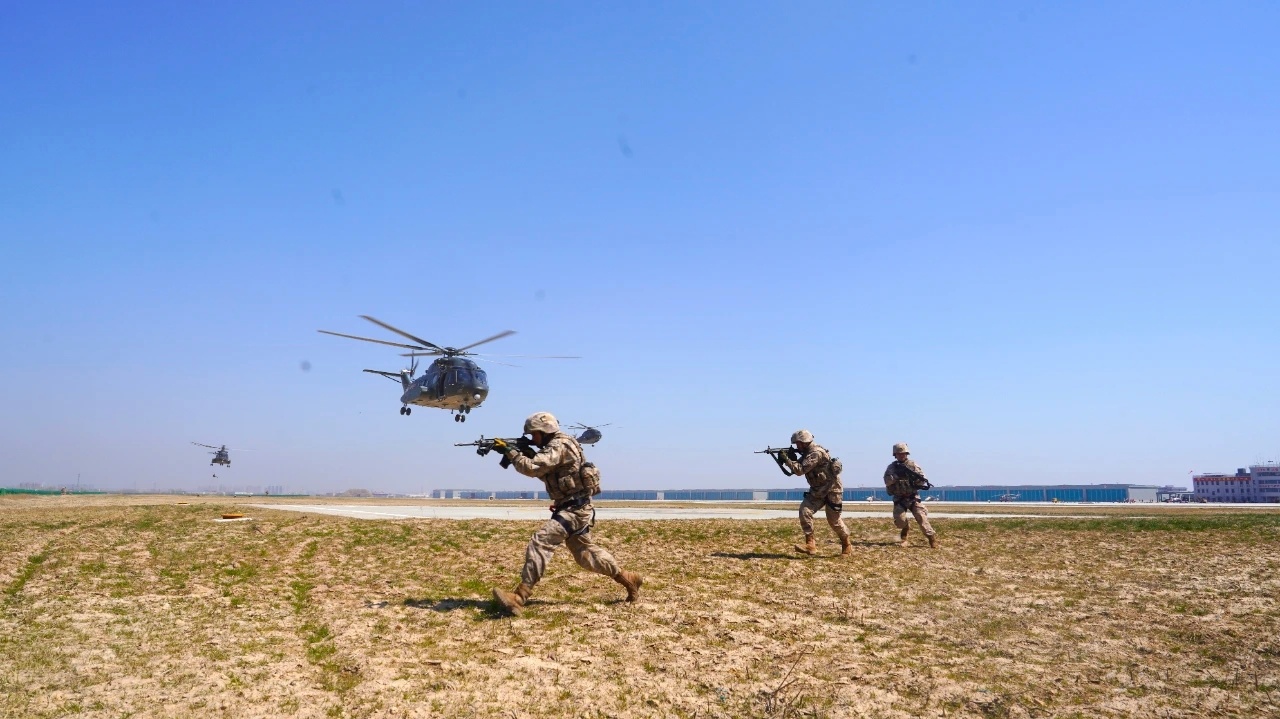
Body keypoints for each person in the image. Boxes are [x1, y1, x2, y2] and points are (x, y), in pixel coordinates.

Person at [490, 412, 642, 615]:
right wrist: (524, 452)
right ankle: (628, 579)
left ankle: (519, 597)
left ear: (545, 432)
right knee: (586, 555)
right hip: (573, 507)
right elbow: (546, 471)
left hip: (574, 509)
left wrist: (513, 453)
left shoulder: (559, 445)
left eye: (534, 434)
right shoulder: (555, 446)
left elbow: (534, 468)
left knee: (541, 540)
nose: (533, 439)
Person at [782, 429, 852, 556]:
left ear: (804, 442)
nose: (797, 446)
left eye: (798, 443)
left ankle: (846, 543)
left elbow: (800, 470)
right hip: (817, 491)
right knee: (805, 511)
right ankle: (810, 544)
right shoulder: (806, 453)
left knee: (834, 521)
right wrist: (792, 459)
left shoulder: (815, 453)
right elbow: (798, 467)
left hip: (832, 490)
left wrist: (787, 460)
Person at [883, 442, 938, 548]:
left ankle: (932, 538)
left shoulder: (913, 465)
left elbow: (922, 480)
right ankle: (905, 532)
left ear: (907, 454)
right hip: (899, 498)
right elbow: (887, 481)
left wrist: (913, 478)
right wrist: (896, 476)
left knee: (922, 519)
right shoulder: (891, 467)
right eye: (899, 454)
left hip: (912, 497)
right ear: (895, 455)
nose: (901, 455)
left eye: (903, 453)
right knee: (899, 521)